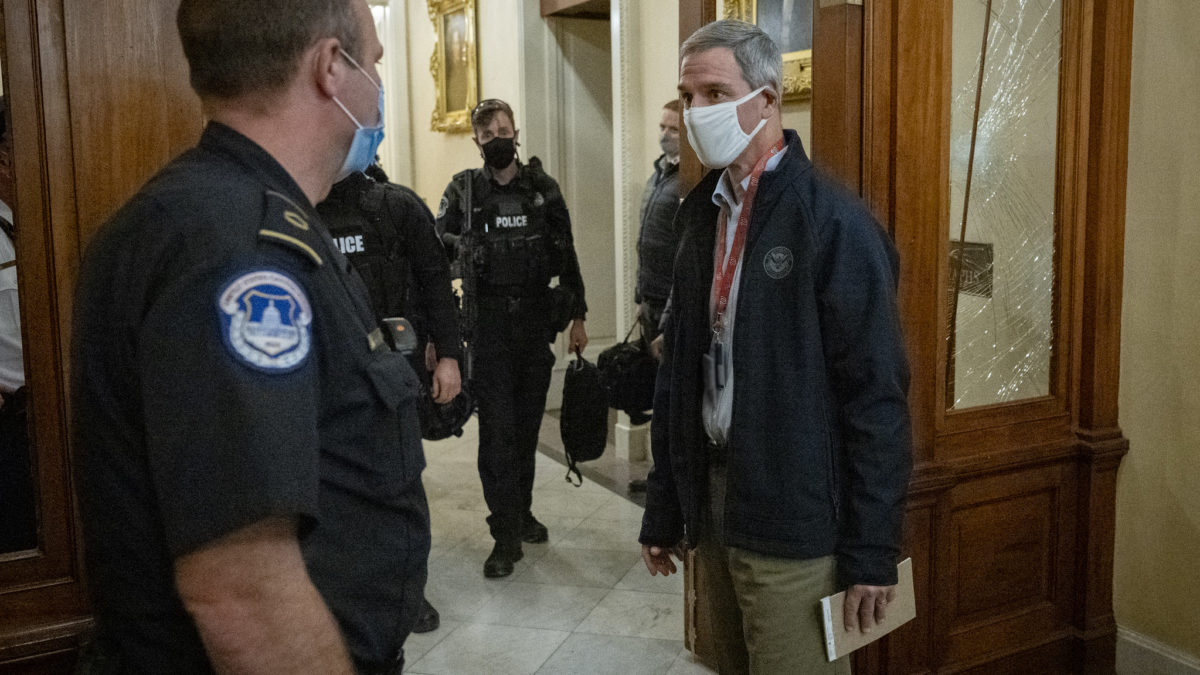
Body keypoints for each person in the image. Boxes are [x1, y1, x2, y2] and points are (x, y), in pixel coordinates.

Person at [71, 1, 429, 672]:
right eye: (374, 63)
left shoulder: (240, 216)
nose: (378, 87)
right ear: (331, 67)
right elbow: (242, 590)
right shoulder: (235, 252)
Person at [638, 20, 912, 674]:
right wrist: (664, 505)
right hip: (715, 503)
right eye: (687, 95)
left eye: (714, 92)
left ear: (767, 100)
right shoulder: (703, 213)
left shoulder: (833, 223)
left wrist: (872, 547)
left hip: (795, 521)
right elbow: (680, 374)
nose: (697, 112)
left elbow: (876, 398)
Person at [435, 98, 588, 579]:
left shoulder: (542, 189)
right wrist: (466, 247)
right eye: (488, 132)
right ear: (477, 141)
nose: (498, 137)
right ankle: (503, 535)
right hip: (489, 329)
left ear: (516, 131)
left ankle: (521, 513)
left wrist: (579, 316)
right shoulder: (463, 192)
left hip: (534, 325)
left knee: (524, 431)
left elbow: (567, 253)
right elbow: (436, 246)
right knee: (497, 434)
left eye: (505, 128)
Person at [316, 163, 459, 634]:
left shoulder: (396, 206)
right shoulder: (296, 204)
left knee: (398, 492)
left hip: (392, 373)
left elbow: (438, 282)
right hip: (323, 377)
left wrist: (450, 358)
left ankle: (406, 594)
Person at [635, 98, 683, 354]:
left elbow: (685, 254)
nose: (665, 135)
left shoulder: (688, 180)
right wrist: (639, 297)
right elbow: (643, 241)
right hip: (649, 300)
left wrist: (669, 319)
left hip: (671, 301)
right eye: (662, 127)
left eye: (673, 130)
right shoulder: (656, 177)